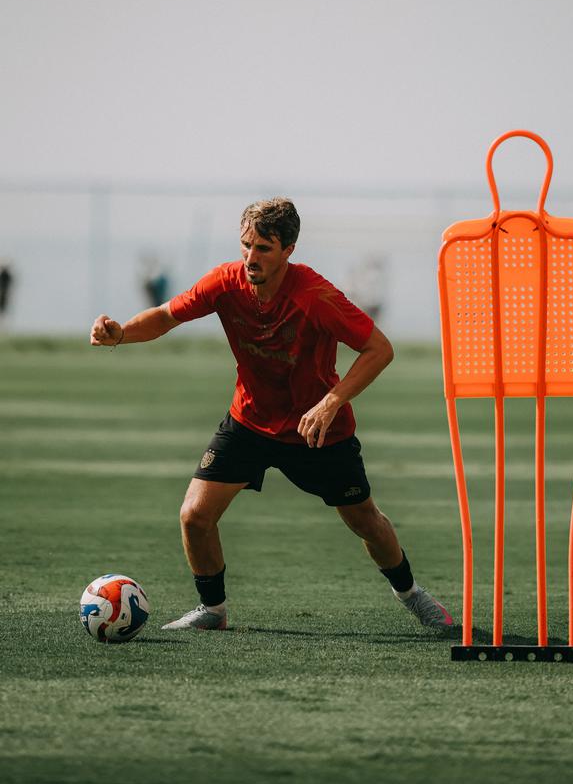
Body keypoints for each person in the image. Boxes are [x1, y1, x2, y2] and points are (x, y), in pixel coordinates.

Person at [90, 198, 452, 633]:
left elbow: (380, 349)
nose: (250, 257)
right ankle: (213, 611)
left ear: (289, 249)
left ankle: (412, 595)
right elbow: (167, 316)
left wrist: (331, 401)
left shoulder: (315, 295)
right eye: (246, 245)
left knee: (366, 523)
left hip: (317, 430)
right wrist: (122, 333)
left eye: (263, 248)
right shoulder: (225, 283)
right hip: (249, 422)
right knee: (194, 517)